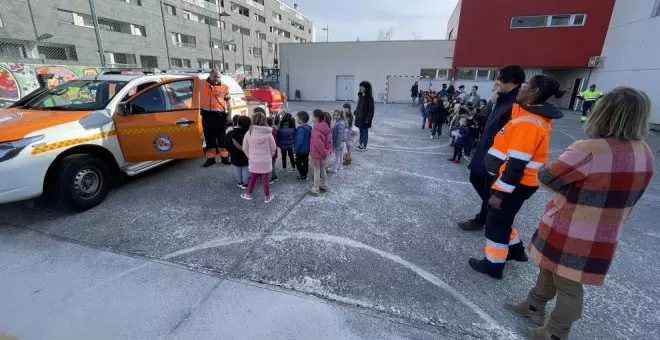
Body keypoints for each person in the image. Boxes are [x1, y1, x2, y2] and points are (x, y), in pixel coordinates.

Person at [505, 87, 654, 340]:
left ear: (604, 112)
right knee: (553, 272)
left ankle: (556, 332)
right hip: (605, 231)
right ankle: (533, 306)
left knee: (567, 285)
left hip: (569, 227)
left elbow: (547, 177)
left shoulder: (589, 148)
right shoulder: (645, 152)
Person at [468, 74, 564, 280]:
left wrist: (499, 193)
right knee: (503, 219)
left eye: (526, 85)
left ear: (535, 92)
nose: (520, 88)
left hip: (514, 183)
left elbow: (516, 164)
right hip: (518, 182)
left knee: (496, 224)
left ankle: (493, 264)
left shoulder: (529, 122)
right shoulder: (528, 115)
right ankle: (515, 250)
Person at [458, 65, 526, 231]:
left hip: (497, 156)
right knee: (477, 178)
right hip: (486, 150)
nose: (496, 82)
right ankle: (488, 216)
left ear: (511, 80)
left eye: (500, 78)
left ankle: (490, 218)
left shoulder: (515, 104)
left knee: (489, 188)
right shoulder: (502, 99)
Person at [241, 111, 277, 203]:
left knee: (253, 177)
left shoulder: (248, 133)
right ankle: (267, 196)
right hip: (266, 160)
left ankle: (249, 194)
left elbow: (245, 148)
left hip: (253, 159)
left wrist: (250, 156)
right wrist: (269, 156)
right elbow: (273, 148)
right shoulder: (268, 133)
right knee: (265, 178)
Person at [201, 69, 232, 167]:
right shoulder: (202, 84)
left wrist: (229, 115)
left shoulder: (225, 87)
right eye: (214, 76)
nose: (216, 79)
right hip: (206, 116)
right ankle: (211, 159)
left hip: (219, 117)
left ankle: (225, 158)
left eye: (218, 77)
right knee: (209, 138)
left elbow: (228, 103)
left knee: (222, 138)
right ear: (210, 76)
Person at [308, 109, 332, 196]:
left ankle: (315, 188)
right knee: (322, 169)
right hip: (323, 155)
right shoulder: (326, 127)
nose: (311, 118)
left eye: (313, 116)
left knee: (316, 171)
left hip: (316, 154)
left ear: (317, 118)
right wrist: (327, 152)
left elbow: (317, 143)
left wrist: (324, 152)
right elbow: (329, 141)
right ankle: (324, 185)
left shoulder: (315, 129)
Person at [226, 115, 251, 189]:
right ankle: (245, 184)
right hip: (246, 155)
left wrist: (230, 152)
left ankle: (240, 182)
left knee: (237, 169)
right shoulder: (248, 133)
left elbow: (227, 145)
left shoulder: (230, 133)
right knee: (245, 169)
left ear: (237, 123)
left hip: (234, 155)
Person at [355, 81, 374, 151]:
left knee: (365, 131)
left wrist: (369, 119)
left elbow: (371, 110)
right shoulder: (360, 96)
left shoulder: (369, 98)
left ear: (366, 88)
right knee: (361, 131)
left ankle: (364, 145)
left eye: (362, 87)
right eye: (360, 87)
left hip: (365, 118)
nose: (361, 88)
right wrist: (356, 112)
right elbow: (359, 106)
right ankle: (360, 144)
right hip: (359, 117)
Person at [294, 111, 312, 182]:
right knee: (305, 161)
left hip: (301, 150)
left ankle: (303, 175)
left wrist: (295, 149)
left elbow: (299, 141)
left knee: (298, 162)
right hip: (307, 149)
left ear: (301, 120)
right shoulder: (309, 127)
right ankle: (305, 174)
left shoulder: (301, 129)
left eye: (297, 118)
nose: (296, 119)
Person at [267, 117, 279, 184]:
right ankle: (275, 176)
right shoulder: (274, 130)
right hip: (275, 150)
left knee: (270, 165)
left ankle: (271, 178)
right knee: (273, 165)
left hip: (270, 150)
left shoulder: (268, 131)